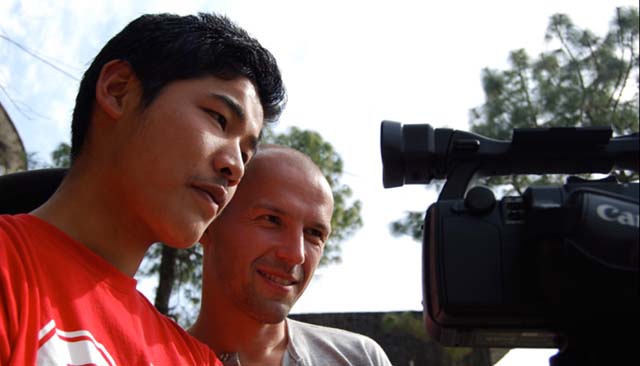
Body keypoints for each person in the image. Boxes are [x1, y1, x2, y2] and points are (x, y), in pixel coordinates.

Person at [0, 12, 286, 365]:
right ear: (118, 91)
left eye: (246, 152)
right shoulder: (10, 268)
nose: (235, 167)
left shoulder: (196, 359)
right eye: (219, 119)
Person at [189, 145, 393, 366]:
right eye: (271, 220)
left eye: (314, 234)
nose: (296, 255)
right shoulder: (152, 358)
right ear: (208, 224)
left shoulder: (358, 359)